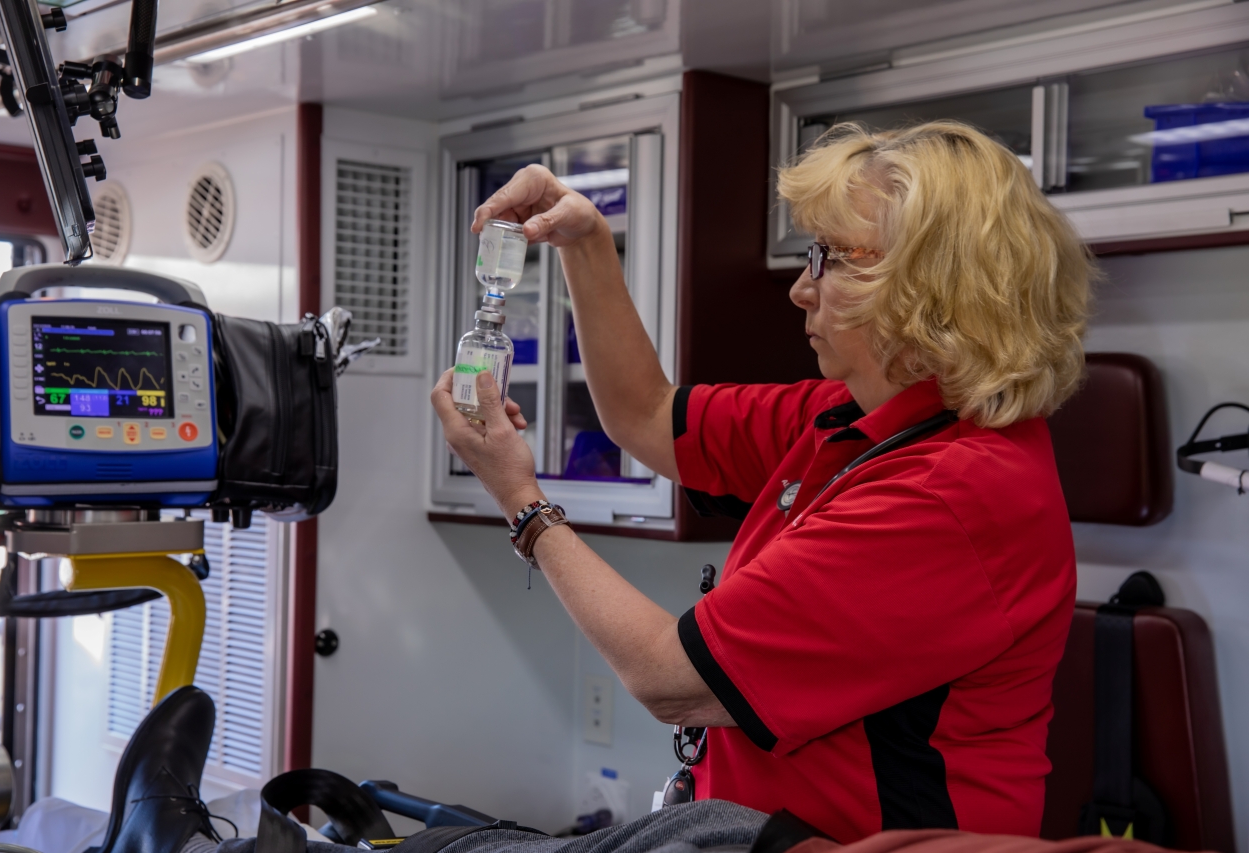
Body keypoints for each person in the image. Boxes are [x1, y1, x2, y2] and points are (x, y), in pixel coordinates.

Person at [430, 121, 1094, 842]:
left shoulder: (953, 492)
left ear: (930, 285)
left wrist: (523, 505)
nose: (802, 290)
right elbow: (645, 414)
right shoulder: (851, 417)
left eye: (832, 259)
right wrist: (587, 241)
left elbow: (670, 678)